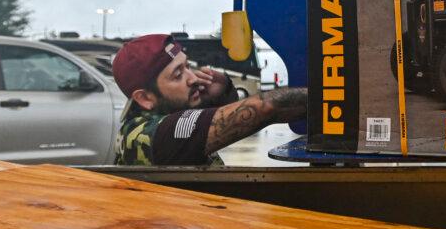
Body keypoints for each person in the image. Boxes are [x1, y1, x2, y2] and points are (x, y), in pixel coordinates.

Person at [113, 33, 306, 166]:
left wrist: (224, 92)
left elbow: (220, 116)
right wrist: (328, 97)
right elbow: (265, 108)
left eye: (187, 66)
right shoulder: (148, 135)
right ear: (145, 98)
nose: (194, 78)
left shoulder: (161, 111)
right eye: (178, 75)